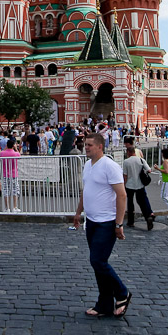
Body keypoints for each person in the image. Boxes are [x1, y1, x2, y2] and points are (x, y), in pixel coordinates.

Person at [73, 133, 131, 317]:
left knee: (97, 260)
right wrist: (78, 212)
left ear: (100, 146)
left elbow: (121, 195)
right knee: (99, 264)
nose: (86, 147)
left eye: (90, 145)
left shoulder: (110, 166)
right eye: (85, 144)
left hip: (107, 222)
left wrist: (119, 223)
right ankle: (104, 304)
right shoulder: (88, 165)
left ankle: (122, 293)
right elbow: (86, 190)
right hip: (91, 221)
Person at [122, 136, 155, 230]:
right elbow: (149, 170)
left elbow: (125, 175)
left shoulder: (126, 162)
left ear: (128, 152)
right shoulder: (141, 160)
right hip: (140, 184)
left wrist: (123, 185)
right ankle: (147, 217)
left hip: (129, 185)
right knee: (142, 202)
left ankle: (131, 222)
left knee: (130, 203)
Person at [0, 139, 20, 212]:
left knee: (6, 190)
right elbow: (19, 154)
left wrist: (5, 148)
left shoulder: (3, 153)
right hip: (14, 174)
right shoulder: (16, 154)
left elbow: (1, 153)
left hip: (5, 174)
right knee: (15, 190)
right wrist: (16, 148)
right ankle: (14, 207)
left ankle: (7, 207)